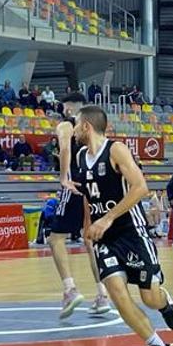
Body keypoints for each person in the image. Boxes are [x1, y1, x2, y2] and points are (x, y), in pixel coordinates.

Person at [74, 105, 173, 346]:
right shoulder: (79, 157)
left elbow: (141, 187)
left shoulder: (116, 150)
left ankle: (165, 302)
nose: (73, 129)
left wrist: (107, 218)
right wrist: (87, 226)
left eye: (76, 124)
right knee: (119, 295)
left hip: (130, 232)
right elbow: (89, 196)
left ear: (86, 126)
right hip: (104, 238)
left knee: (149, 298)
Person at [49, 93, 111, 318]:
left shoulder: (66, 124)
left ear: (69, 108)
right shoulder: (94, 128)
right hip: (93, 185)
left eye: (64, 106)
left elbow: (65, 148)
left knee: (55, 239)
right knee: (89, 240)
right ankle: (102, 294)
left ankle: (70, 289)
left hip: (74, 183)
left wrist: (64, 177)